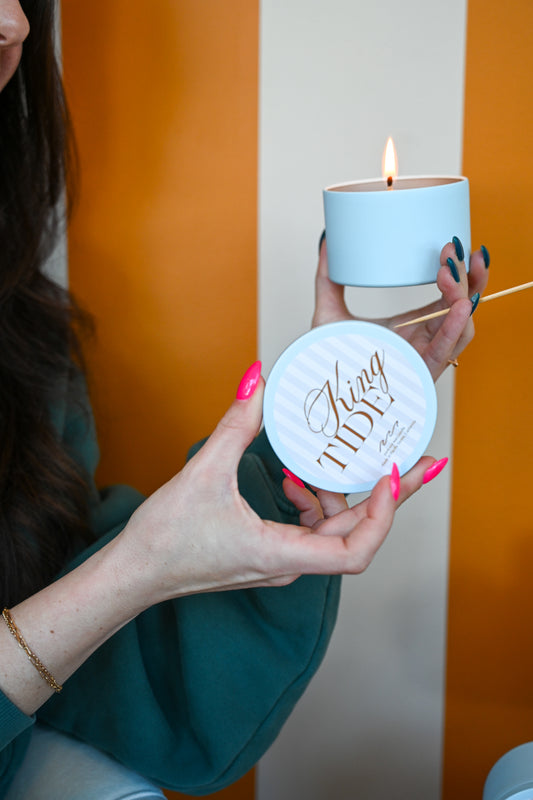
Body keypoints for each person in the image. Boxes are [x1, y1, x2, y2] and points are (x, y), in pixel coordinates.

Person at [0, 1, 490, 798]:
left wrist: (319, 422)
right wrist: (137, 568)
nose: (14, 23)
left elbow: (93, 671)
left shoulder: (25, 335)